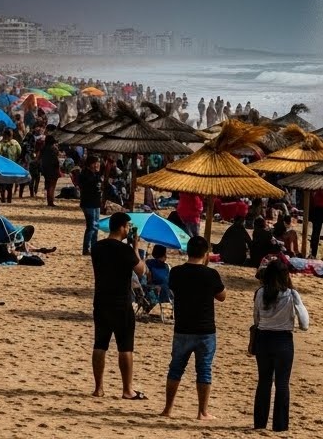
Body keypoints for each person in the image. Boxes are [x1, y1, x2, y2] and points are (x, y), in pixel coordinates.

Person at [162, 236, 226, 421]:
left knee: (175, 369)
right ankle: (202, 412)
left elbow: (173, 289)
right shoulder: (210, 274)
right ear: (205, 253)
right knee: (204, 370)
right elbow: (222, 296)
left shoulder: (176, 272)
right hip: (205, 329)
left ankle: (168, 409)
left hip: (183, 327)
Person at [90, 211, 148, 400]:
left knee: (100, 344)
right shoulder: (125, 251)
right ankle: (127, 389)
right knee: (125, 346)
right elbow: (141, 270)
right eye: (127, 227)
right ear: (122, 227)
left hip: (101, 300)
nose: (129, 230)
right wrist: (135, 246)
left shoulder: (97, 247)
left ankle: (98, 388)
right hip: (121, 302)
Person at [252, 257, 309, 431]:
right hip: (283, 340)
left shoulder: (260, 292)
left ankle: (260, 423)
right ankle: (280, 425)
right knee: (282, 383)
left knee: (264, 381)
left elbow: (256, 318)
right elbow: (305, 324)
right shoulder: (291, 294)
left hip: (263, 338)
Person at [78, 162, 102, 255]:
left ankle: (94, 247)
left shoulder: (96, 174)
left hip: (96, 203)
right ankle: (86, 248)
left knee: (96, 227)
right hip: (88, 203)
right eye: (95, 163)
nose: (97, 165)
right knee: (91, 226)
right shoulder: (85, 174)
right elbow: (88, 186)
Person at [38, 130, 61, 207]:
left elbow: (39, 158)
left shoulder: (43, 148)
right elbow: (56, 160)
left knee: (48, 185)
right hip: (53, 168)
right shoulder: (54, 149)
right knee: (52, 185)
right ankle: (51, 202)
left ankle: (49, 201)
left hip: (45, 168)